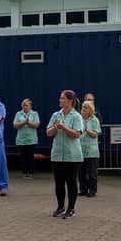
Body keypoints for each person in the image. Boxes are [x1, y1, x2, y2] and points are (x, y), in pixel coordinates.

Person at [46, 90, 83, 219]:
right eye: (60, 98)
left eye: (62, 98)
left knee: (71, 182)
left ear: (70, 101)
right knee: (59, 182)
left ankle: (71, 208)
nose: (60, 100)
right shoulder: (55, 115)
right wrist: (55, 128)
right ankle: (60, 207)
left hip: (72, 155)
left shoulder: (76, 116)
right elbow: (48, 133)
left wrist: (64, 127)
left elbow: (77, 134)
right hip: (57, 154)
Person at [13, 98, 40, 180]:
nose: (25, 107)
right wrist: (24, 122)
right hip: (21, 140)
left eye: (26, 105)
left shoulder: (35, 114)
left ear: (30, 106)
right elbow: (15, 125)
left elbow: (37, 124)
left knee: (30, 157)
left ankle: (30, 173)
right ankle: (24, 173)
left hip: (31, 139)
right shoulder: (18, 114)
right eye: (23, 105)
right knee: (22, 157)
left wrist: (28, 123)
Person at [78, 101, 101, 197]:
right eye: (83, 107)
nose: (83, 109)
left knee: (92, 173)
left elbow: (95, 134)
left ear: (90, 110)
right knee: (81, 172)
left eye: (86, 108)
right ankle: (83, 189)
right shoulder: (78, 119)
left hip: (91, 151)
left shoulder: (94, 120)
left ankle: (92, 190)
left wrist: (87, 129)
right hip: (80, 150)